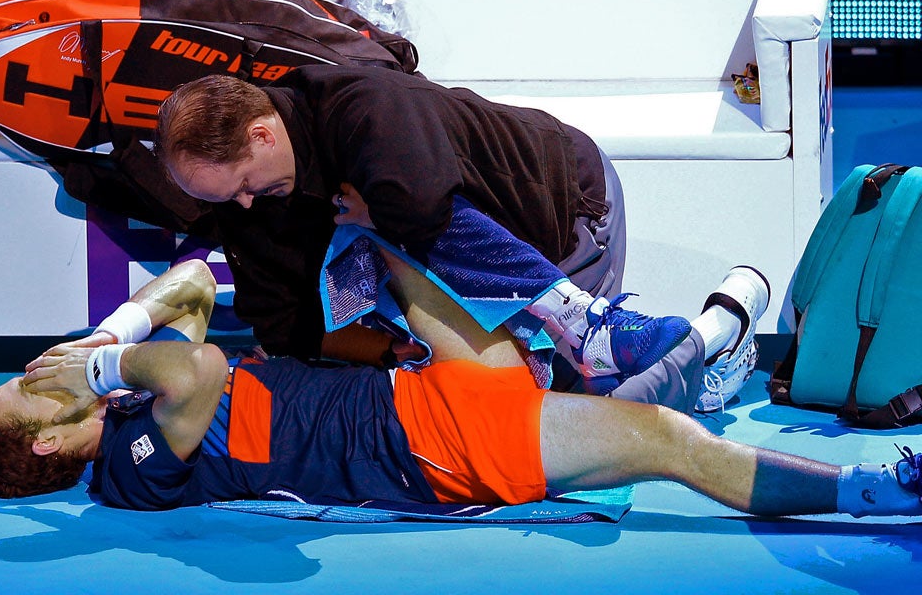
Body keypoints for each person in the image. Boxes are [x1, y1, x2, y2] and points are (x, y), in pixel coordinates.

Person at [0, 258, 922, 519]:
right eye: (25, 388)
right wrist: (100, 363)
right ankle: (876, 491)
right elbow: (202, 364)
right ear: (48, 442)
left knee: (401, 225)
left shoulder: (126, 395)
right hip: (424, 451)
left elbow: (185, 284)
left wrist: (111, 332)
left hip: (418, 391)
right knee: (668, 440)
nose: (33, 369)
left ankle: (626, 337)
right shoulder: (126, 467)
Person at [153, 66, 757, 411]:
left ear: (261, 135)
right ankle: (598, 331)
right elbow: (283, 325)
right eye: (224, 200)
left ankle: (654, 335)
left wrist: (375, 212)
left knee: (579, 403)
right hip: (447, 274)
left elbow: (421, 208)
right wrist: (401, 357)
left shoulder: (364, 103)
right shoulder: (248, 202)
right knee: (495, 398)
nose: (244, 205)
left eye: (243, 186)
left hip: (564, 211)